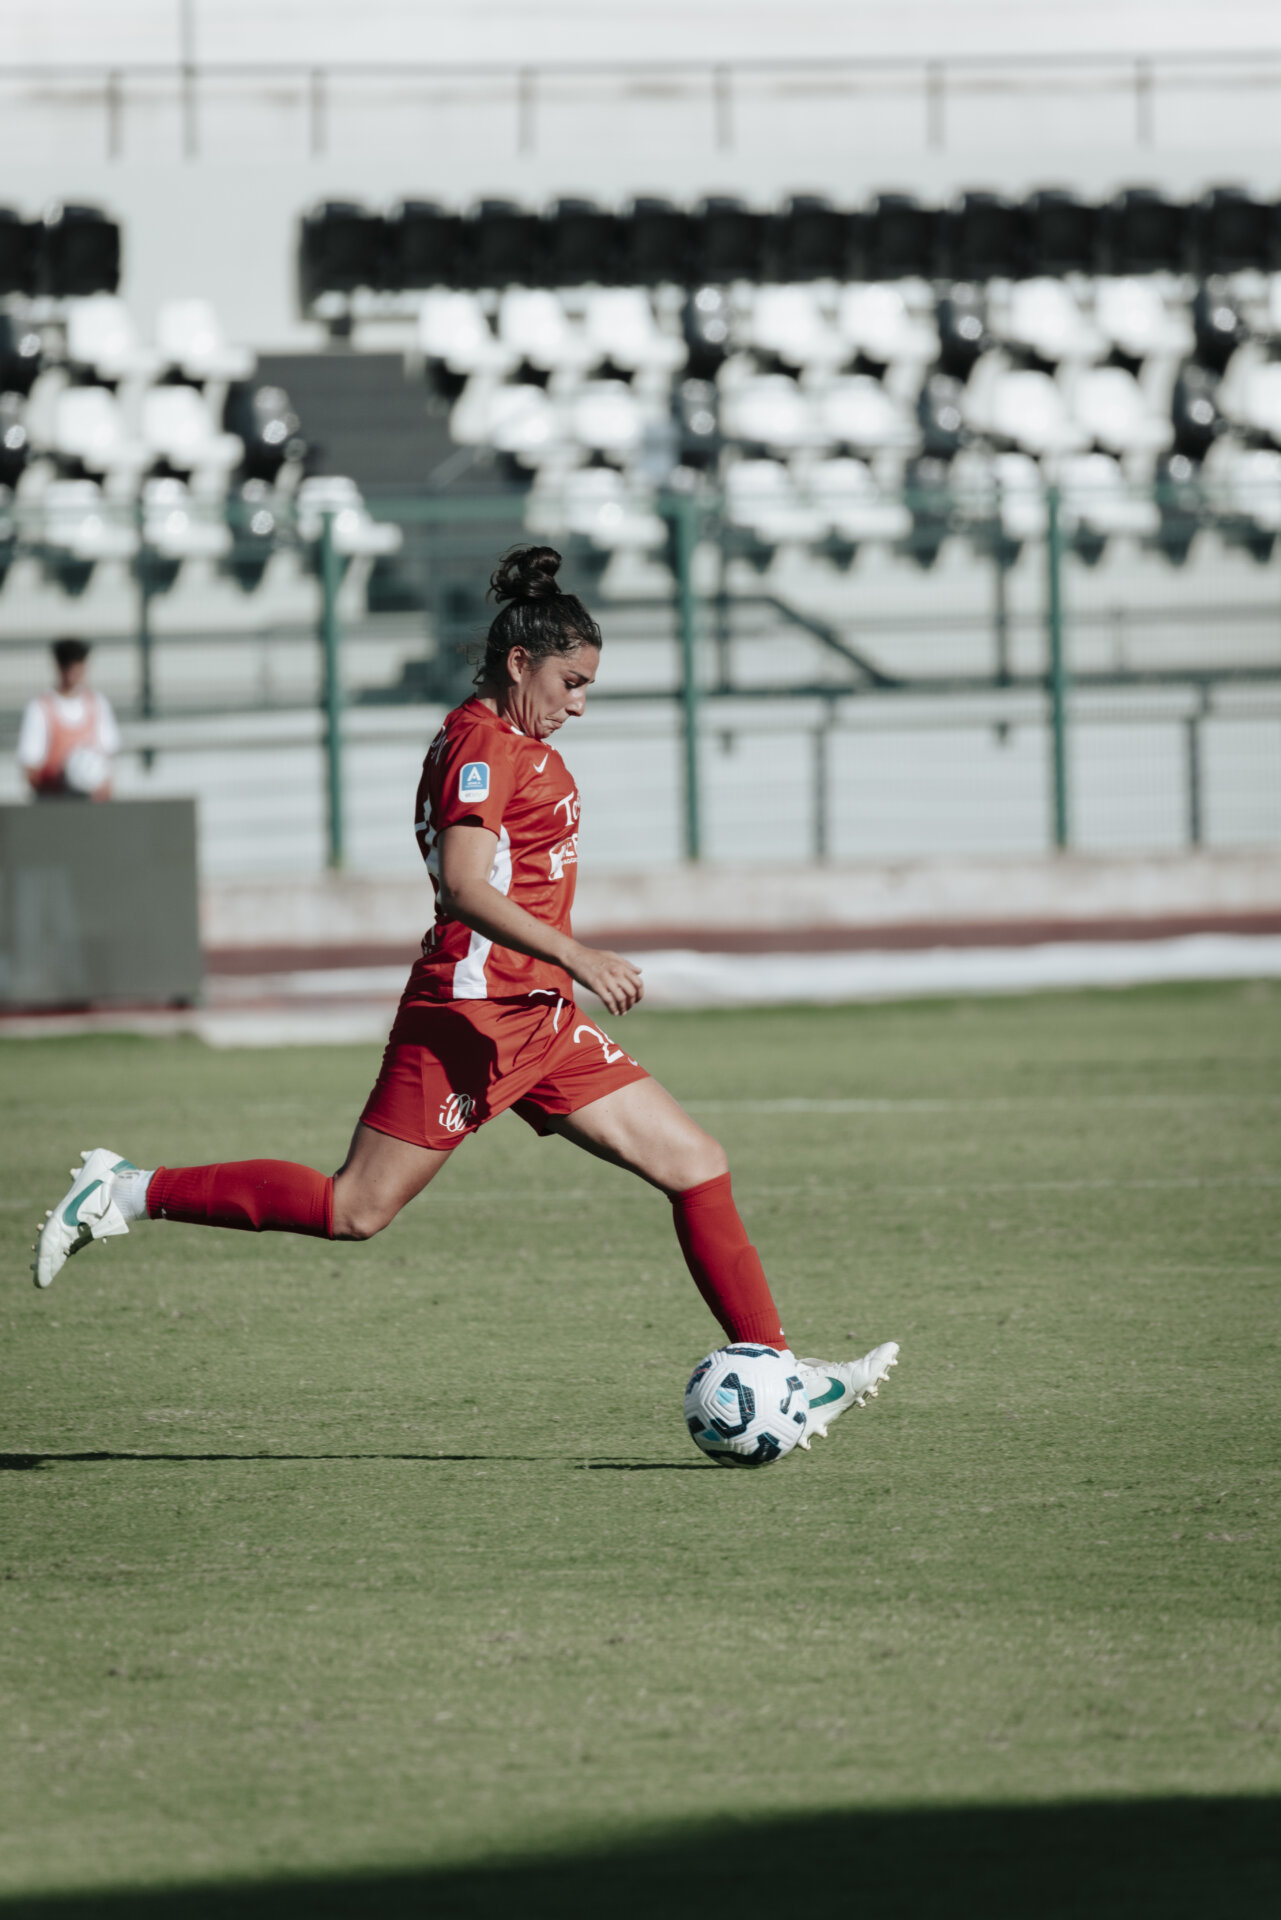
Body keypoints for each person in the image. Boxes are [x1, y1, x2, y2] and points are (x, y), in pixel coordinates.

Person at [29, 547, 898, 1448]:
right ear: (519, 663)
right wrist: (578, 953)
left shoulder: (513, 741)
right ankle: (127, 1191)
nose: (579, 703)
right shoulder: (482, 747)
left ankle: (776, 1370)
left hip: (538, 1020)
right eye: (570, 681)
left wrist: (561, 972)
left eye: (588, 684)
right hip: (469, 1017)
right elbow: (464, 885)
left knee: (695, 1164)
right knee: (354, 1209)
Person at [17, 637, 119, 801]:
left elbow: (108, 759)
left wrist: (94, 782)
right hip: (55, 804)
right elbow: (30, 769)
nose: (72, 674)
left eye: (77, 666)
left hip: (91, 807)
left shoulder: (98, 704)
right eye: (67, 666)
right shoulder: (39, 708)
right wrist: (62, 779)